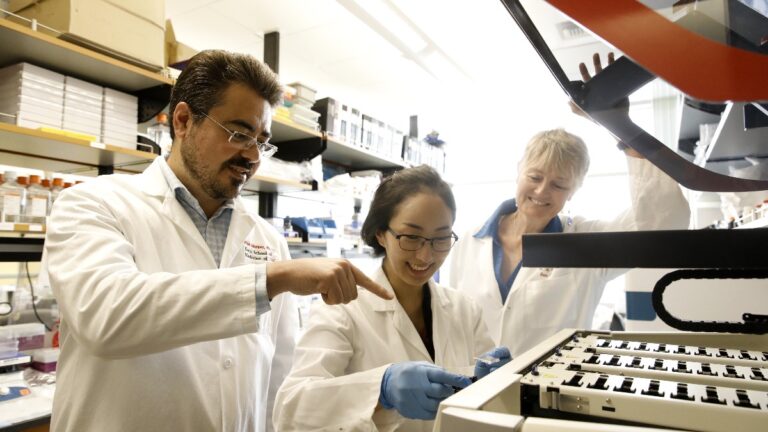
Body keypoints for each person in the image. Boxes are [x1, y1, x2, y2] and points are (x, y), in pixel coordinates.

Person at [43, 50, 392, 432]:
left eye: (262, 141)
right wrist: (270, 279)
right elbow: (106, 317)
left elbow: (278, 379)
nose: (252, 156)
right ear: (183, 121)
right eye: (239, 134)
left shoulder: (267, 240)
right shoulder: (92, 203)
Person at [450, 56, 691, 358]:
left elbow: (664, 223)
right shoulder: (468, 241)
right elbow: (453, 320)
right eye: (534, 177)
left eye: (559, 185)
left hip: (551, 383)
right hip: (474, 383)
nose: (541, 191)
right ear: (518, 171)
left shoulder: (586, 244)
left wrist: (621, 128)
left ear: (574, 191)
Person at [274, 165, 511, 431]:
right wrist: (380, 390)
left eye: (441, 238)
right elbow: (290, 408)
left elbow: (490, 407)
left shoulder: (465, 310)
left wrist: (500, 383)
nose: (426, 256)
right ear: (380, 234)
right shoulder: (342, 310)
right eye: (411, 237)